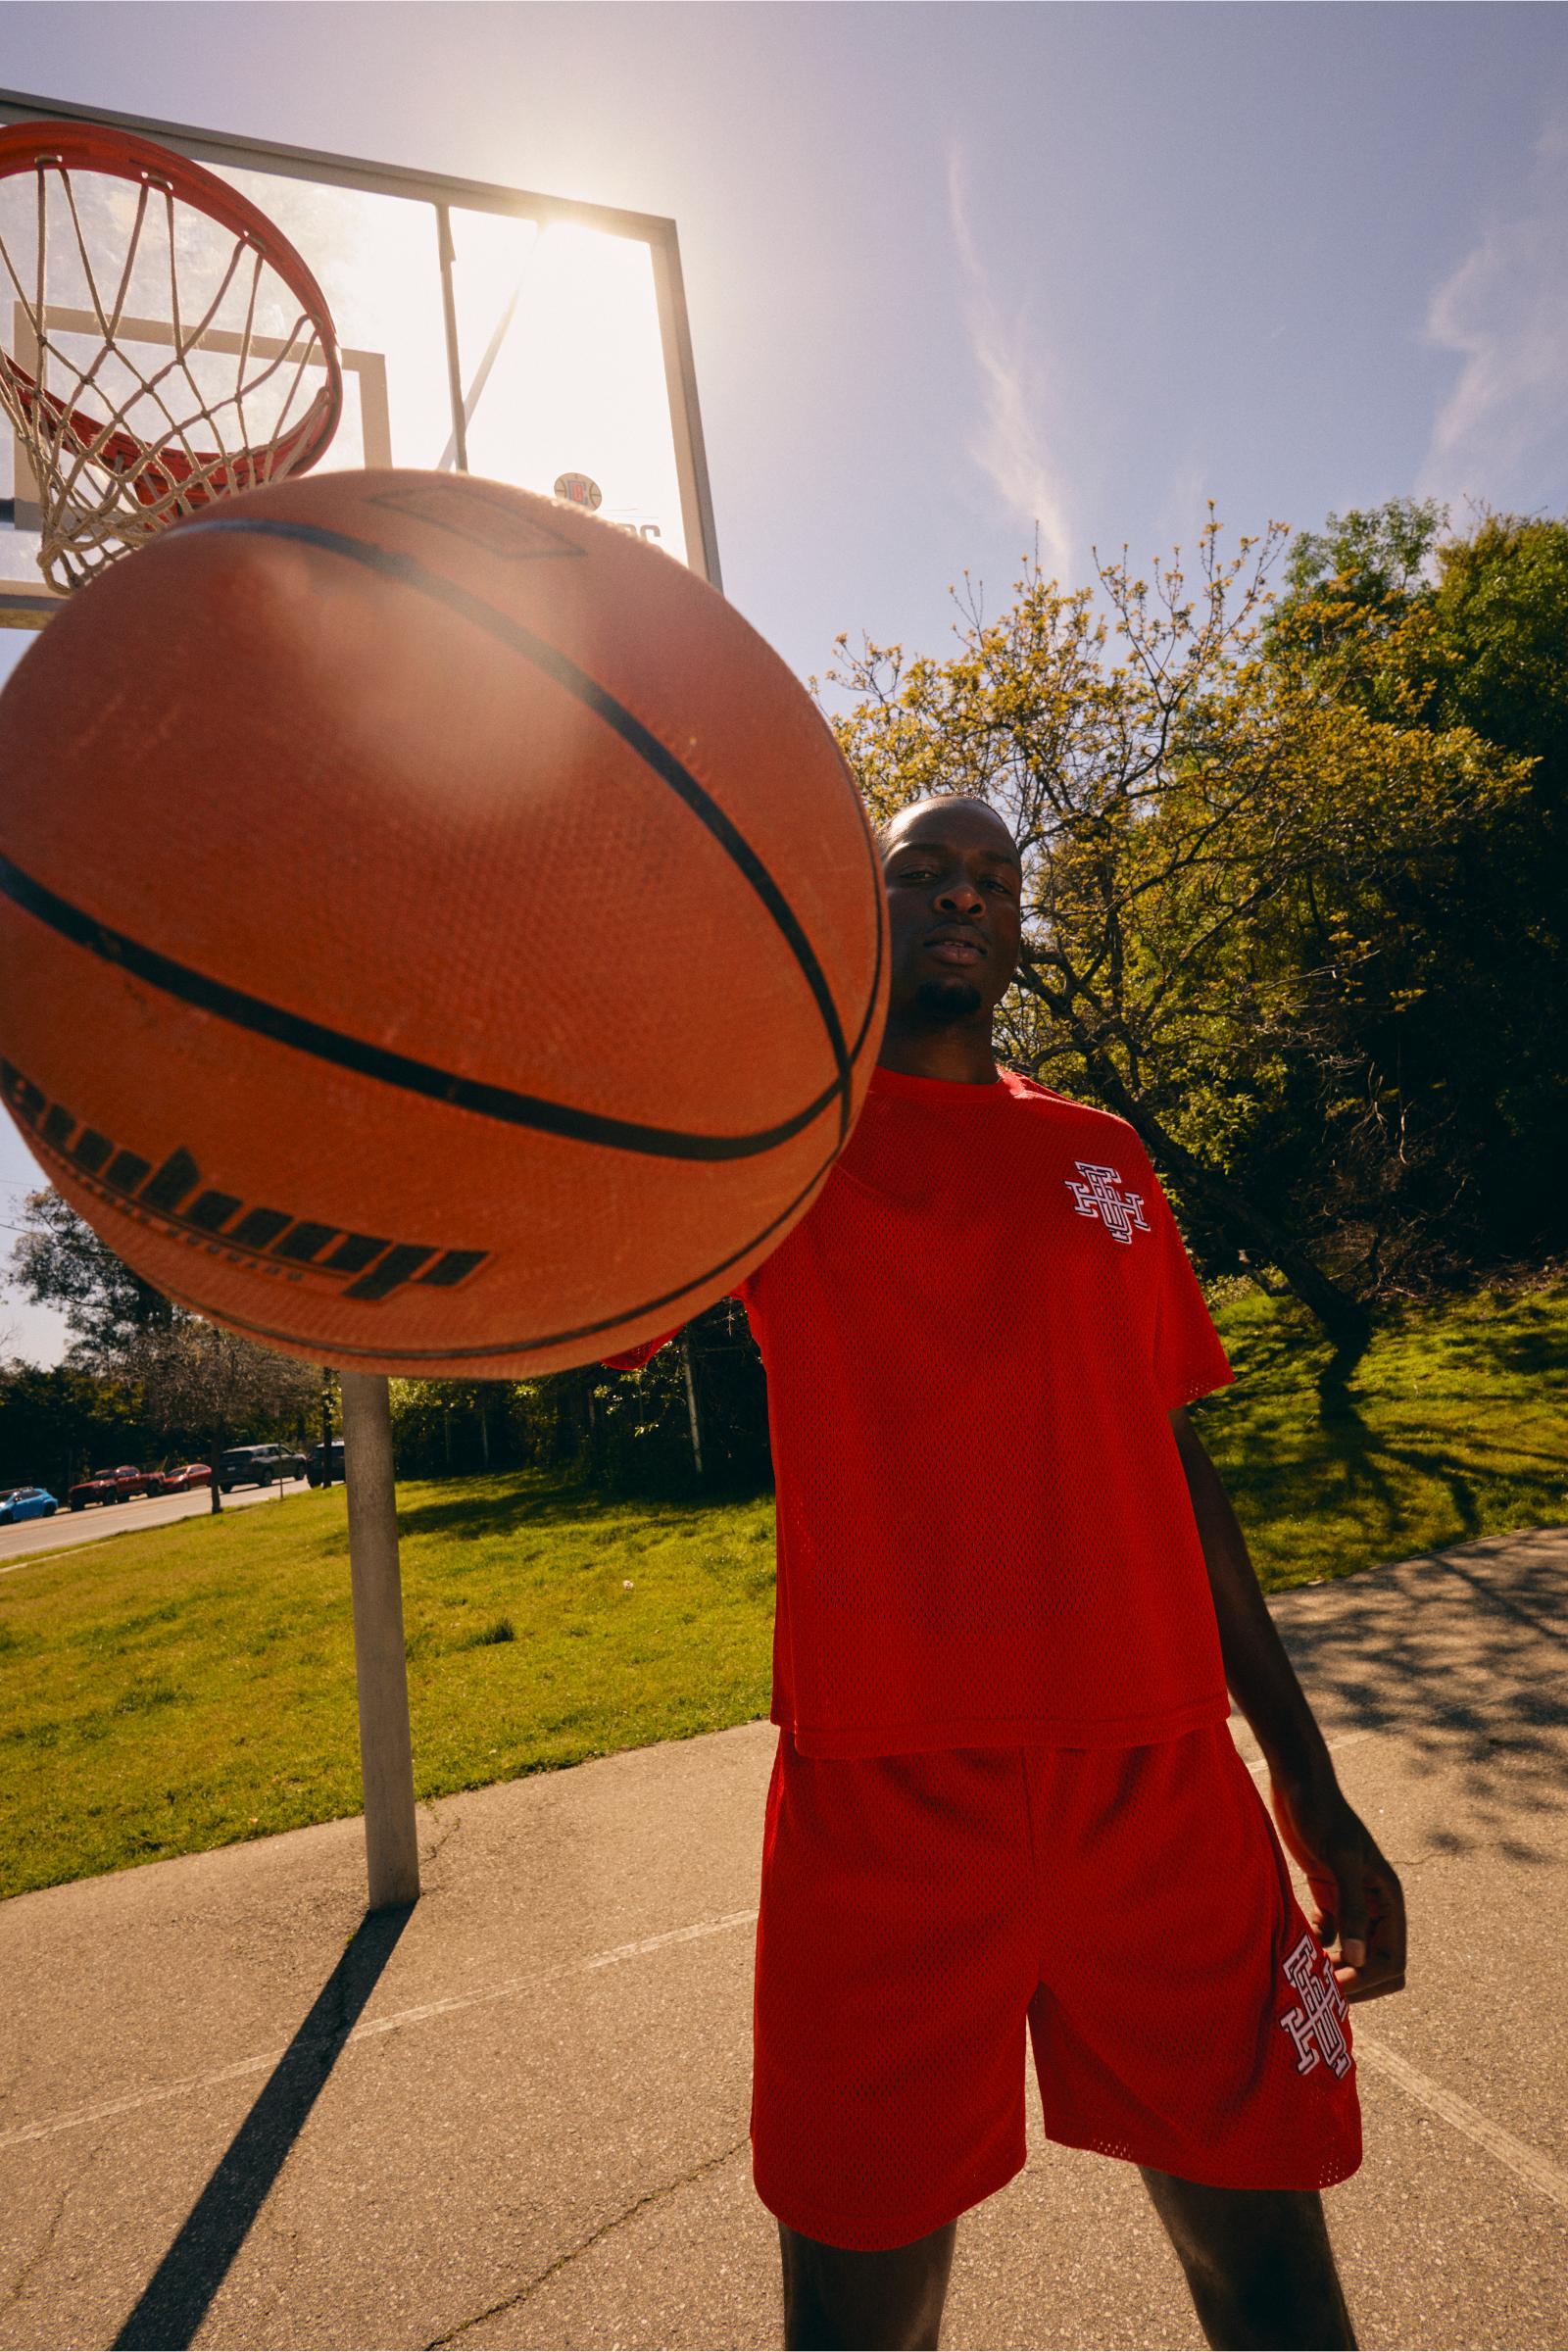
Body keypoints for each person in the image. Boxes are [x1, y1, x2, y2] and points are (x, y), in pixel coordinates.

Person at [603, 792, 1406, 2351]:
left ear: (1019, 924)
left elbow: (1183, 1472)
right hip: (886, 1803)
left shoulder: (1099, 1158)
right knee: (857, 2320)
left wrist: (1312, 1793)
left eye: (994, 877)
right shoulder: (774, 1146)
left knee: (1273, 2282)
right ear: (865, 905)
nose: (964, 894)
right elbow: (580, 1293)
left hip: (1160, 1786)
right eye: (924, 870)